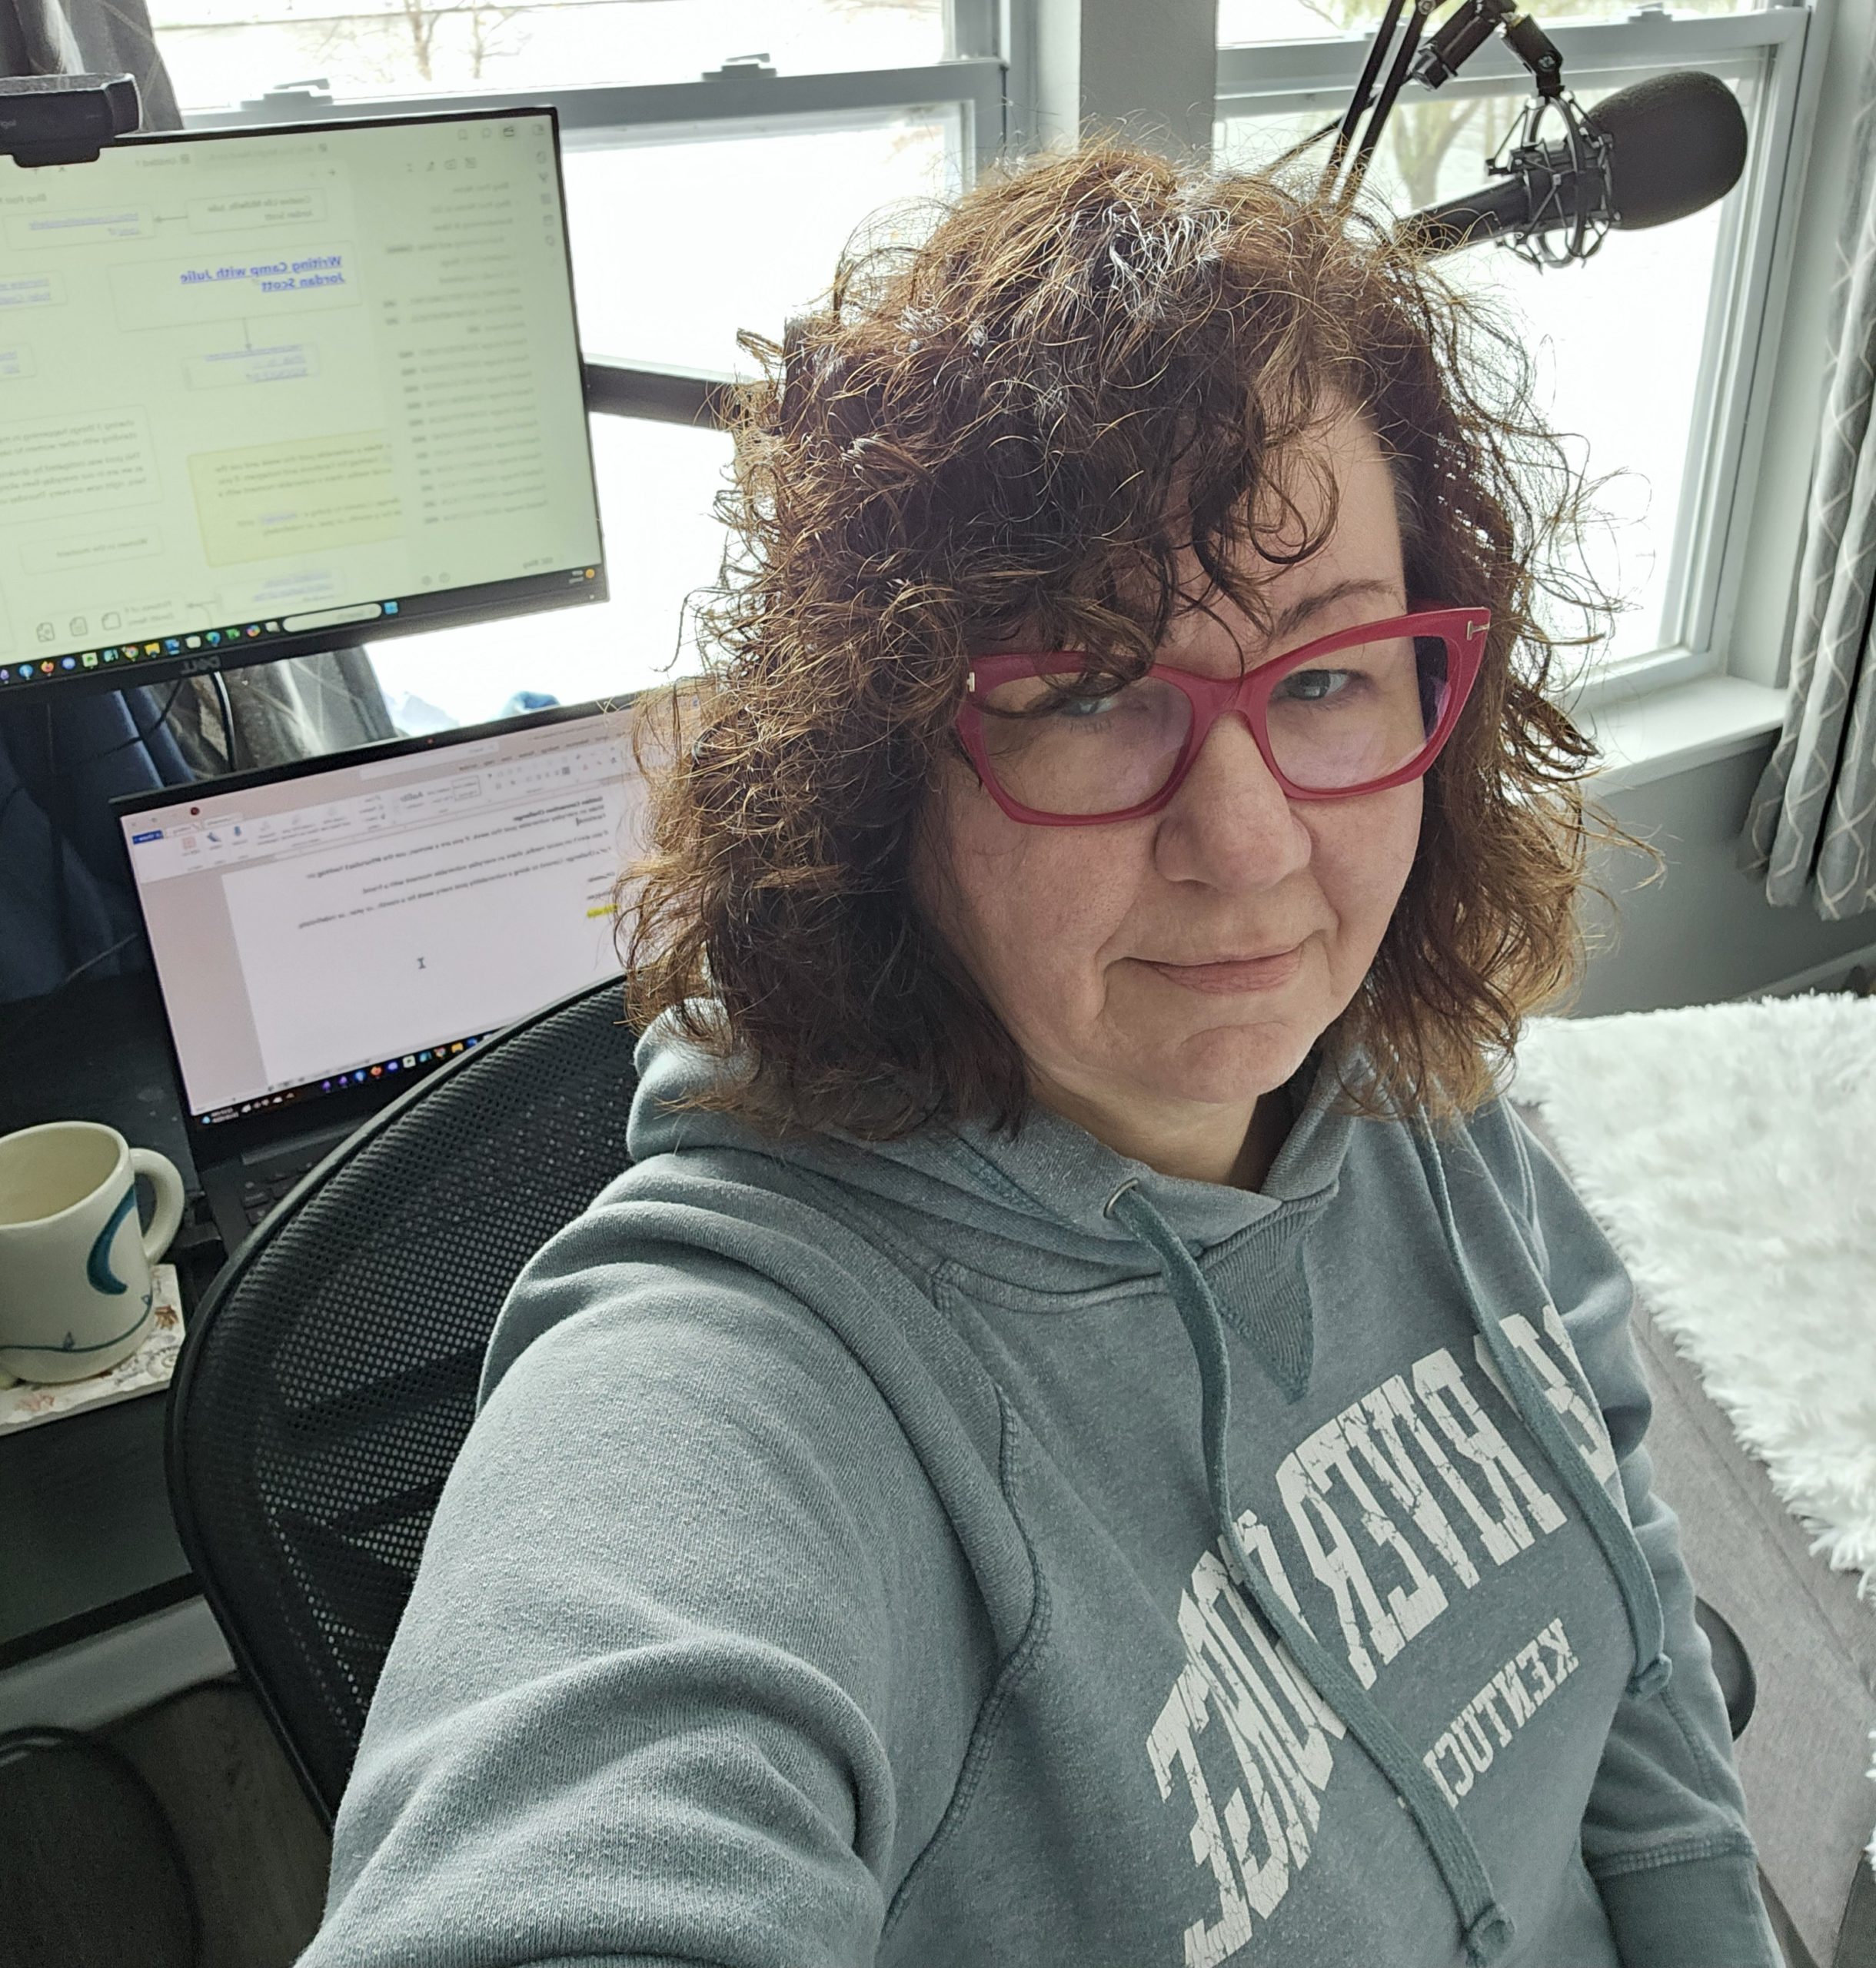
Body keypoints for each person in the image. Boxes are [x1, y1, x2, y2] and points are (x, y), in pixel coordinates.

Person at [298, 145, 1781, 1967]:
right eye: (1084, 693)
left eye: (1323, 676)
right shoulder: (755, 1379)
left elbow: (1627, 1600)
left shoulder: (1402, 1066)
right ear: (877, 771)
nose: (1248, 847)